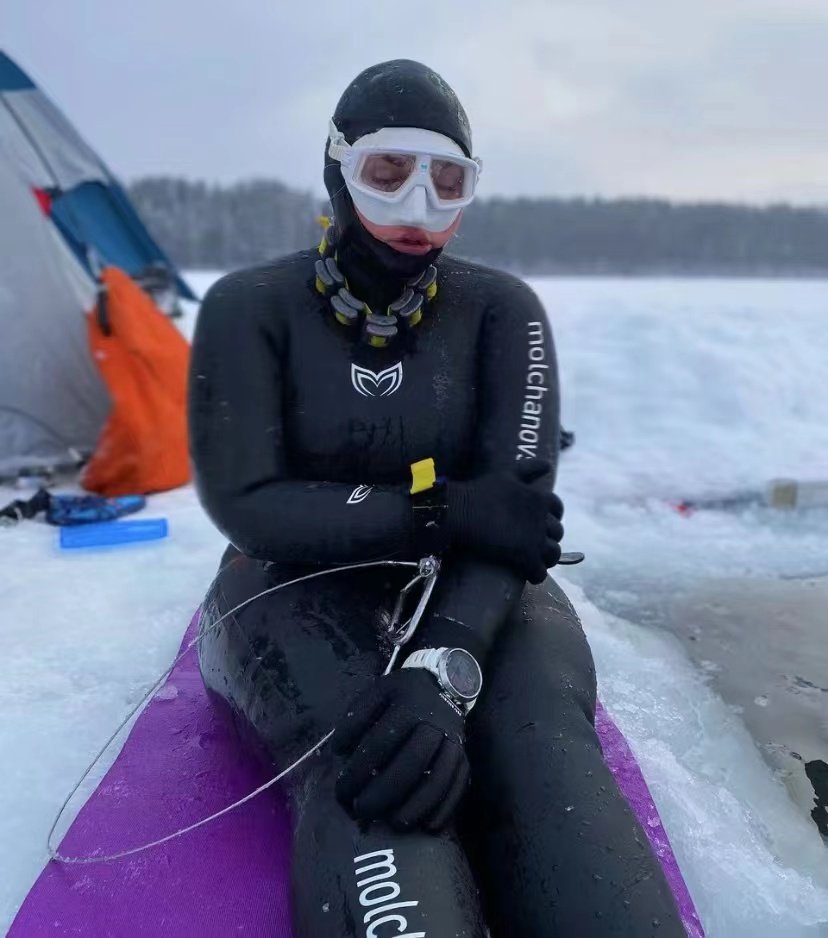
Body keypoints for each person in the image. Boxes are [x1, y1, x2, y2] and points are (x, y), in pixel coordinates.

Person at [189, 59, 683, 937]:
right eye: (388, 173)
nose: (418, 209)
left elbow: (513, 521)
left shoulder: (501, 313)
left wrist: (442, 668)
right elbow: (249, 506)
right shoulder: (250, 308)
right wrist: (437, 511)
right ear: (337, 170)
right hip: (288, 580)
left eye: (447, 182)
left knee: (540, 750)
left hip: (479, 586)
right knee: (366, 761)